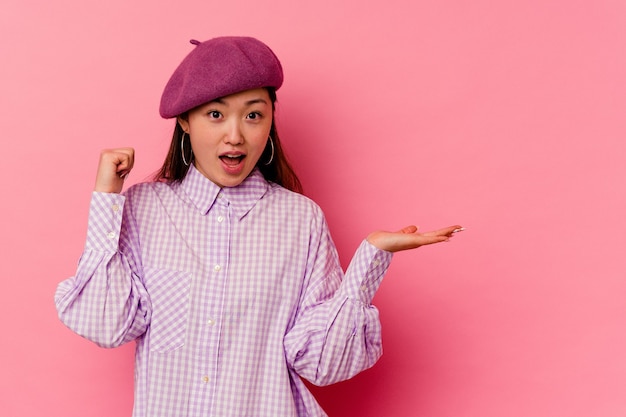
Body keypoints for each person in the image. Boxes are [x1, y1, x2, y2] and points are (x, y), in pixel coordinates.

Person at [55, 36, 464, 417]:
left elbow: (321, 363)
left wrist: (369, 260)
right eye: (215, 114)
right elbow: (104, 323)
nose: (235, 136)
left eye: (253, 115)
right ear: (185, 122)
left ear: (270, 123)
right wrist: (107, 197)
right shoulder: (144, 208)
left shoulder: (300, 220)